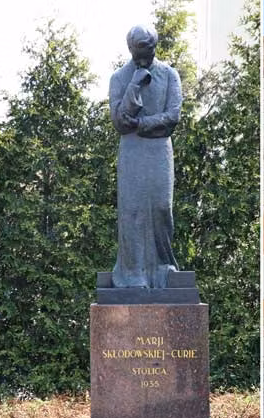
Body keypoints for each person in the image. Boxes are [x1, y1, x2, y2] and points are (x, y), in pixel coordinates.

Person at [109, 25, 182, 288]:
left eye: (148, 50)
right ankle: (133, 272)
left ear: (154, 47)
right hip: (132, 151)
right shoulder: (119, 78)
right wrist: (134, 86)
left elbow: (172, 117)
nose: (144, 56)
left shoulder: (169, 74)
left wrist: (141, 125)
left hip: (159, 149)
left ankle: (164, 267)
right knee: (132, 210)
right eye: (138, 51)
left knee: (162, 208)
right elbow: (119, 122)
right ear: (130, 49)